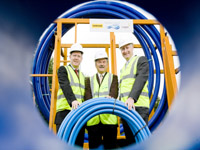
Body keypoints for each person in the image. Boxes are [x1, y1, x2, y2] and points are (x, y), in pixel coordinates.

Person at [118, 35, 150, 146]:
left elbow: (141, 79)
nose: (125, 51)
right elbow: (122, 89)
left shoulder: (141, 60)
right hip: (126, 108)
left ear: (132, 48)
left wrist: (132, 98)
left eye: (127, 48)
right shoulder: (123, 68)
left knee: (141, 141)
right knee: (131, 142)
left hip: (138, 107)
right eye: (123, 49)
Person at [85, 51, 119, 149]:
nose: (101, 64)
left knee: (110, 147)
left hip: (109, 120)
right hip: (94, 121)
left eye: (104, 62)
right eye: (99, 62)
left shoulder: (113, 78)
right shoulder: (88, 80)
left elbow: (114, 93)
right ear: (95, 64)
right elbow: (87, 97)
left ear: (107, 64)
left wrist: (110, 97)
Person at [54, 43, 85, 147]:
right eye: (74, 55)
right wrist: (73, 101)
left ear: (81, 58)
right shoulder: (63, 70)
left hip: (78, 114)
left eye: (78, 56)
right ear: (70, 57)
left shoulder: (82, 75)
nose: (76, 58)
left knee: (78, 144)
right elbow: (65, 85)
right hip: (64, 114)